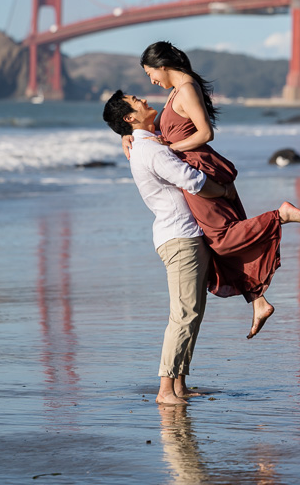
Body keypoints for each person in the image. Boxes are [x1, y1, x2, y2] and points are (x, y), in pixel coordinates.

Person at [128, 40, 300, 340]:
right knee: (216, 240)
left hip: (200, 171)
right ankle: (258, 302)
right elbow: (167, 132)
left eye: (150, 73)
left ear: (163, 66)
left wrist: (170, 149)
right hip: (193, 168)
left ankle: (279, 215)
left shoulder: (186, 89)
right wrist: (130, 137)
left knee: (222, 238)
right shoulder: (177, 92)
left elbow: (205, 133)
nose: (150, 80)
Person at [103, 90, 237, 406]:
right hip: (180, 238)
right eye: (136, 101)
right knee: (184, 313)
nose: (144, 99)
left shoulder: (148, 142)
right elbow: (191, 179)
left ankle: (179, 384)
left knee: (193, 312)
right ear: (129, 118)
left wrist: (126, 136)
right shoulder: (151, 150)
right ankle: (166, 390)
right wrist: (224, 192)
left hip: (186, 235)